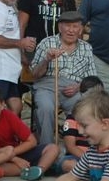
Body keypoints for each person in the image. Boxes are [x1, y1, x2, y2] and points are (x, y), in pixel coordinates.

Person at [29, 10, 96, 145]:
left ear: (81, 29)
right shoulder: (47, 43)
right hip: (47, 86)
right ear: (60, 27)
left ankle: (76, 149)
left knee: (82, 107)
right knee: (45, 108)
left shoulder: (86, 48)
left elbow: (92, 78)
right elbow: (34, 74)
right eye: (67, 26)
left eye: (75, 26)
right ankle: (47, 149)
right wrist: (47, 60)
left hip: (74, 88)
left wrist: (78, 86)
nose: (71, 30)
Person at [0, 84, 57, 181]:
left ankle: (38, 171)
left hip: (15, 151)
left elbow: (32, 141)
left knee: (53, 148)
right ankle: (28, 170)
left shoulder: (9, 116)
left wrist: (13, 154)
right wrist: (13, 159)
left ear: (3, 105)